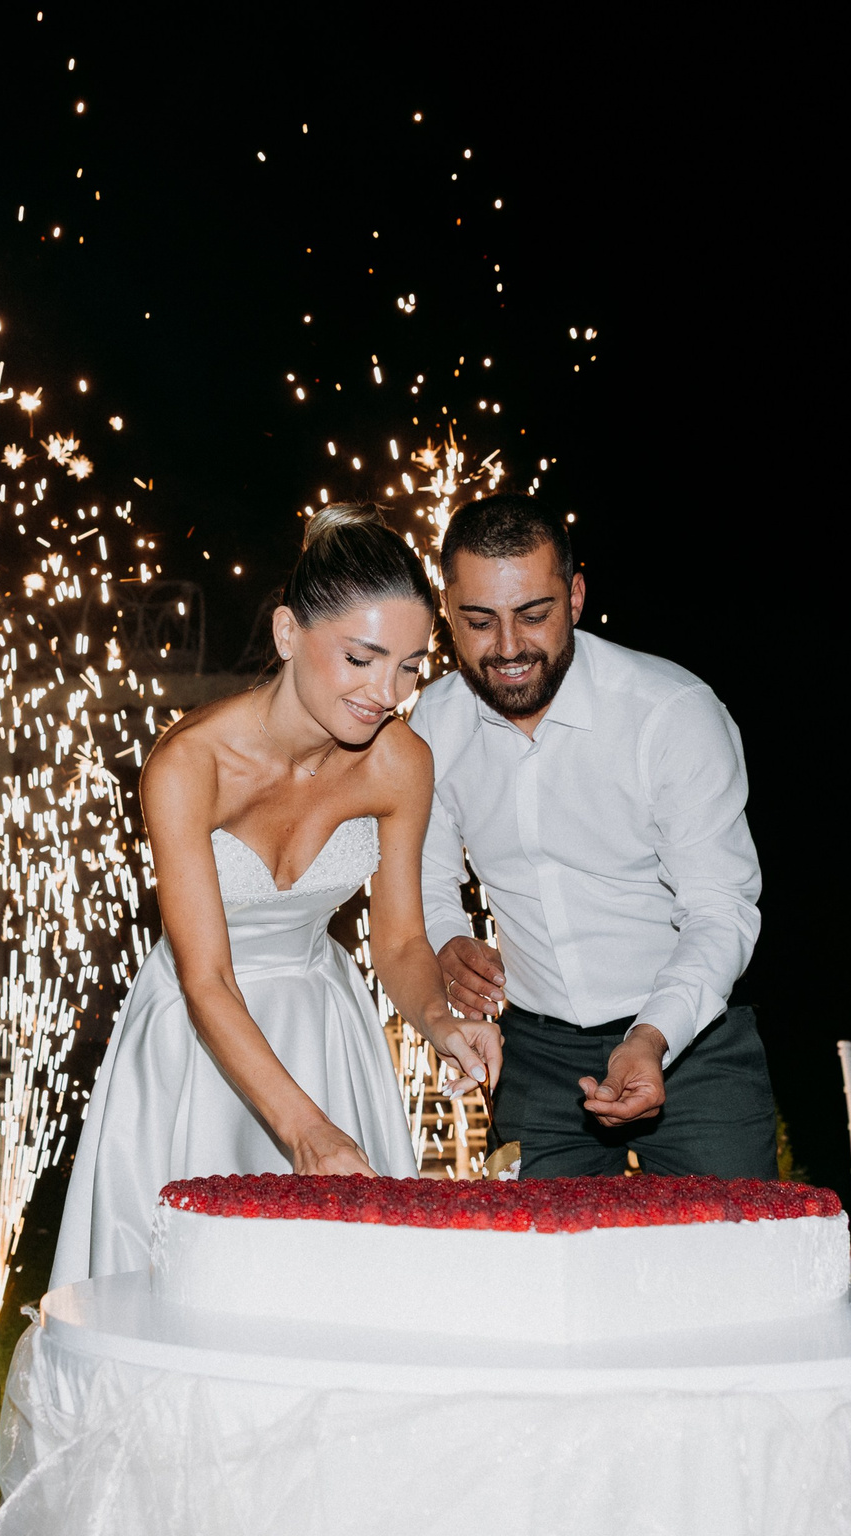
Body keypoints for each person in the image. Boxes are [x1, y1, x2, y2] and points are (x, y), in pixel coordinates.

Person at [50, 505, 505, 1286]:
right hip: (197, 1039)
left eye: (407, 666)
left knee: (334, 1293)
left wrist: (439, 1018)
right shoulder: (189, 766)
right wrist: (307, 1132)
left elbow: (397, 943)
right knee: (190, 1295)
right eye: (361, 658)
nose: (384, 692)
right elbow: (206, 979)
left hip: (322, 1029)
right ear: (289, 632)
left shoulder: (401, 764)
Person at [413, 493, 774, 1180]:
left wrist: (651, 1034)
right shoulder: (434, 724)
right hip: (534, 1059)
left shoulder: (671, 715)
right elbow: (426, 878)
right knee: (537, 1281)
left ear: (575, 596)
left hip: (695, 1048)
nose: (509, 647)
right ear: (448, 615)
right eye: (480, 621)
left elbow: (721, 907)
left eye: (534, 614)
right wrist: (447, 939)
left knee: (735, 1272)